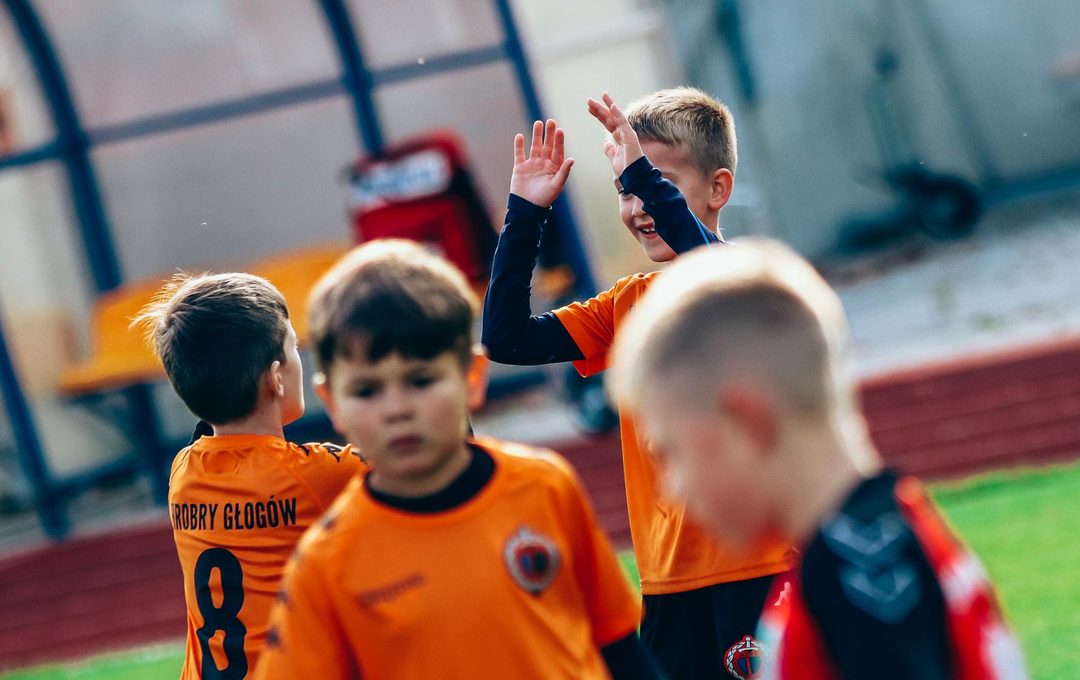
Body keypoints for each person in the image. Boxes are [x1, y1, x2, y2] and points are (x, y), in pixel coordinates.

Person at [483, 88, 798, 678]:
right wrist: (525, 214)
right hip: (666, 584)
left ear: (718, 189)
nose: (636, 205)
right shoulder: (626, 304)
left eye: (655, 182)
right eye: (623, 190)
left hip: (761, 571)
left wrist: (637, 172)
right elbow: (506, 338)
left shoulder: (747, 283)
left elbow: (708, 270)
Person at [613, 238, 1029, 680]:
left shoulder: (860, 577)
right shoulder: (860, 552)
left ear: (746, 422)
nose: (671, 485)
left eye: (672, 453)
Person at [252, 240, 659, 680]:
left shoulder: (545, 486)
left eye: (421, 381)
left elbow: (620, 646)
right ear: (331, 402)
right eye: (367, 390)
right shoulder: (326, 564)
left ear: (472, 377)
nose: (396, 409)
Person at [135, 273, 365, 680]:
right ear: (276, 378)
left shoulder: (183, 472)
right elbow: (442, 458)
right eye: (294, 347)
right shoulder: (316, 474)